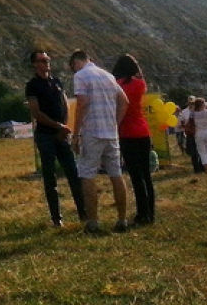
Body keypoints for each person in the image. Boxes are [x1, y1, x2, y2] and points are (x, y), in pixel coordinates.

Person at [25, 50, 87, 228]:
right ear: (35, 64)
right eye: (42, 60)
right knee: (50, 176)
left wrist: (64, 126)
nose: (46, 63)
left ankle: (83, 213)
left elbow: (65, 104)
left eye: (47, 59)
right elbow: (36, 112)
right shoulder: (32, 86)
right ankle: (56, 218)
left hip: (61, 135)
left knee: (73, 173)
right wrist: (57, 126)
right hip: (45, 135)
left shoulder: (57, 82)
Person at [70, 50, 129, 234]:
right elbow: (124, 101)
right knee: (116, 175)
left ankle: (93, 222)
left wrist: (76, 133)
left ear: (75, 63)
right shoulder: (109, 76)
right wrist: (115, 122)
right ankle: (122, 219)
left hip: (92, 132)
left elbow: (82, 103)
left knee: (87, 175)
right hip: (110, 133)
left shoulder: (81, 76)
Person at [111, 54, 155, 226]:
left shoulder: (117, 86)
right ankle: (150, 213)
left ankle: (141, 214)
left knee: (136, 177)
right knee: (146, 176)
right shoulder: (140, 84)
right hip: (143, 130)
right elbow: (141, 77)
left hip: (127, 132)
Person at [192, 98, 207, 173]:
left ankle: (206, 168)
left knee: (202, 151)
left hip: (199, 132)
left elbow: (191, 123)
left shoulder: (193, 113)